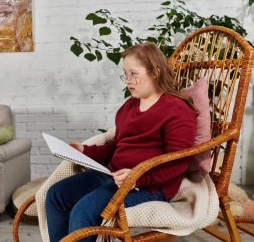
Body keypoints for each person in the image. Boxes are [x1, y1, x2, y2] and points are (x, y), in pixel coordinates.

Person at [45, 42, 197, 242]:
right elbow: (118, 148)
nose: (128, 80)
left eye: (134, 74)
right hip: (113, 175)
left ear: (155, 72)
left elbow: (179, 161)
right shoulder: (129, 107)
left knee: (83, 211)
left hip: (147, 186)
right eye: (125, 74)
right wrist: (84, 150)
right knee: (56, 195)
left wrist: (137, 177)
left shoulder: (176, 109)